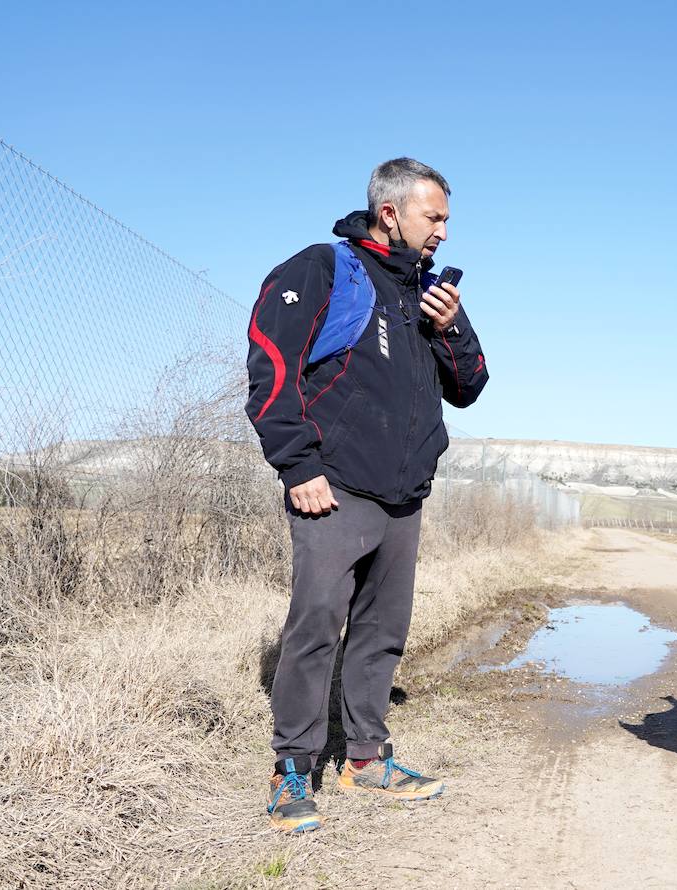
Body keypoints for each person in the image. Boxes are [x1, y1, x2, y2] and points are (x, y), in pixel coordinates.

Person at [245, 157, 488, 833]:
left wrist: (453, 329)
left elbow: (470, 386)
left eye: (445, 219)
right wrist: (298, 466)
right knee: (316, 624)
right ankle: (292, 767)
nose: (442, 230)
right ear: (392, 212)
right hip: (334, 486)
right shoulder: (325, 269)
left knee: (382, 633)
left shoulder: (426, 293)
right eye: (432, 216)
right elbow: (270, 363)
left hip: (404, 494)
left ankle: (365, 759)